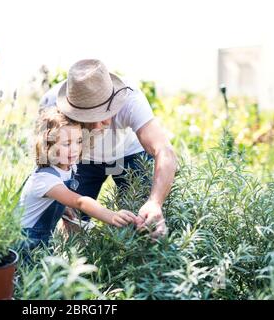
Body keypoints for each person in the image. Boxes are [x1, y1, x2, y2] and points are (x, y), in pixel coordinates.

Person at [40, 59, 177, 240]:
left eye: (104, 114)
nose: (98, 126)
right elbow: (44, 157)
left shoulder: (130, 99)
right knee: (74, 220)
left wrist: (154, 202)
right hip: (83, 160)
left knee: (142, 221)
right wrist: (61, 196)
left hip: (126, 155)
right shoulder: (52, 105)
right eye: (88, 118)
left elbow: (164, 151)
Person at [18, 108, 138, 250]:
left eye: (79, 141)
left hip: (42, 240)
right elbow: (79, 201)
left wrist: (62, 208)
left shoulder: (68, 168)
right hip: (26, 241)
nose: (74, 149)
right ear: (48, 145)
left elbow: (50, 200)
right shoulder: (45, 179)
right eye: (66, 144)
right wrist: (111, 216)